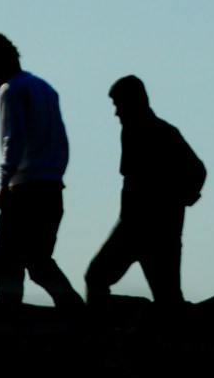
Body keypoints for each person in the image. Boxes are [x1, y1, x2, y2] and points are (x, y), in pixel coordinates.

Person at [0, 33, 83, 307]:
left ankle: (10, 324)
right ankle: (75, 310)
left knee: (6, 263)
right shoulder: (46, 89)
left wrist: (4, 182)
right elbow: (62, 140)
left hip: (25, 190)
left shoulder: (11, 90)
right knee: (38, 261)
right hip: (52, 188)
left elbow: (14, 139)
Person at [85, 76, 205, 307]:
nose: (116, 113)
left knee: (97, 277)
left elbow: (197, 170)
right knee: (167, 298)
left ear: (133, 102)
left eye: (118, 105)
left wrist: (180, 200)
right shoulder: (150, 131)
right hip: (151, 227)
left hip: (141, 227)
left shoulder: (154, 132)